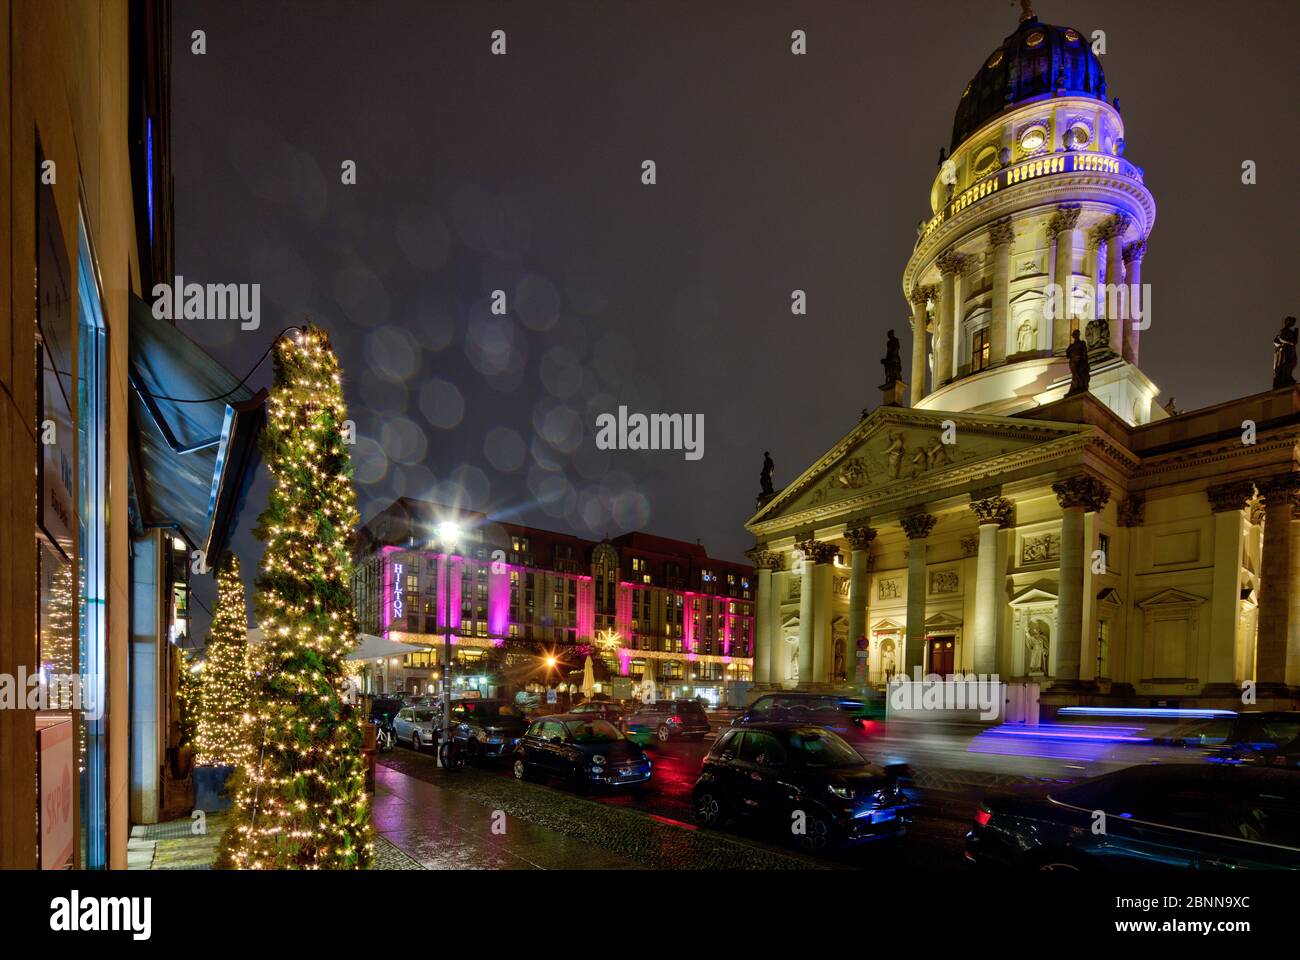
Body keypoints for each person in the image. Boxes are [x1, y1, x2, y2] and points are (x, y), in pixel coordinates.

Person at [1272, 316, 1298, 389]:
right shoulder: (1283, 331)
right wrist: (1289, 342)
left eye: (1293, 322)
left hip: (1290, 350)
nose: (1292, 323)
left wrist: (1292, 342)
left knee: (1291, 363)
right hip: (1284, 350)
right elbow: (1278, 340)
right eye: (1291, 322)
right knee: (1285, 363)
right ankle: (1284, 378)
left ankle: (1288, 377)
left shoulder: (1292, 332)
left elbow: (1295, 341)